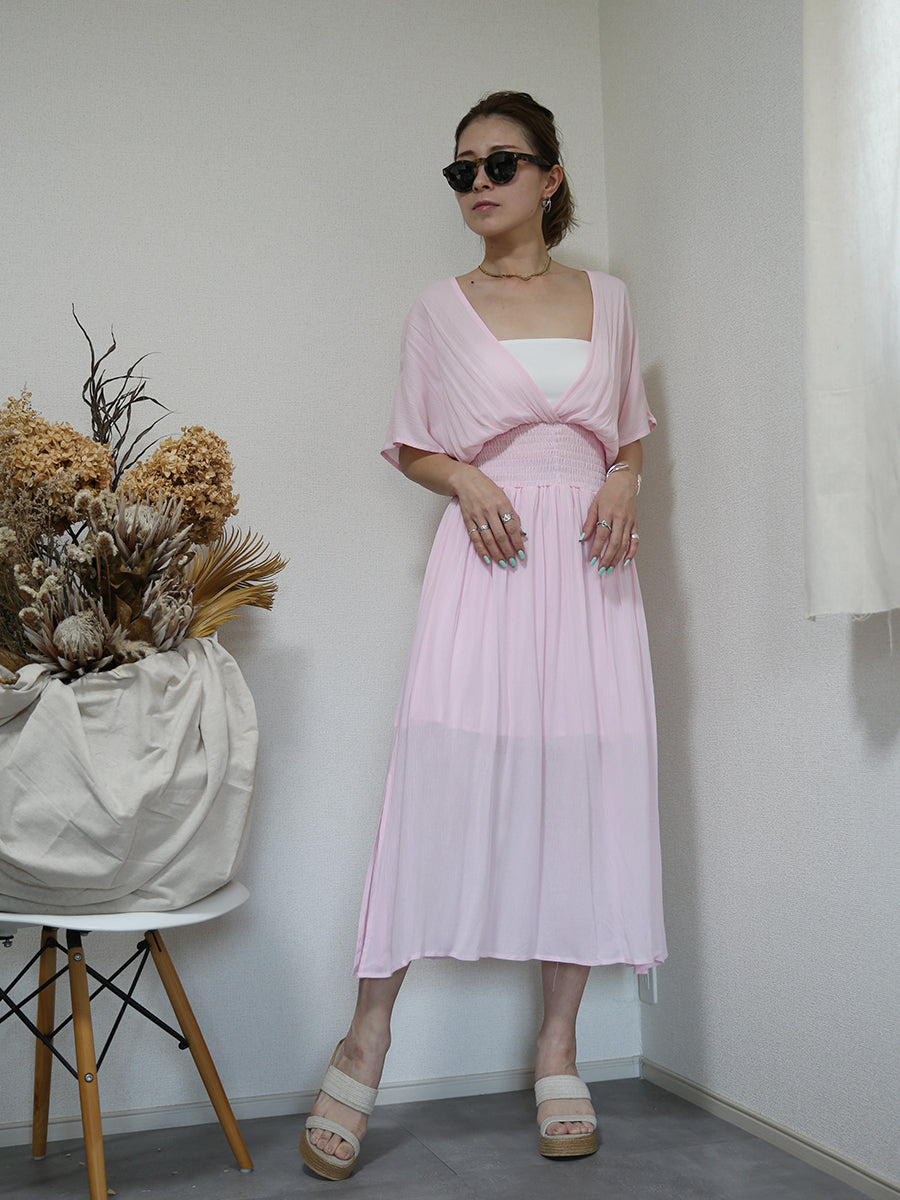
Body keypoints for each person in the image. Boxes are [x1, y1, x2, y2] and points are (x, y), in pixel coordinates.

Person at [299, 91, 667, 1181]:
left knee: (585, 781)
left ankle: (558, 1051)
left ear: (550, 177)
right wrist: (463, 477)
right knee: (439, 778)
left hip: (593, 569)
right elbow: (414, 442)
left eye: (501, 163)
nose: (479, 183)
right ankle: (365, 1040)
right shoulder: (440, 308)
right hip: (488, 559)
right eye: (462, 169)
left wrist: (625, 479)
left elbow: (629, 435)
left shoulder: (610, 300)